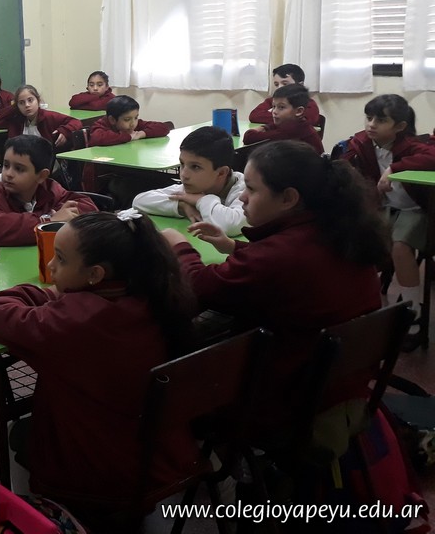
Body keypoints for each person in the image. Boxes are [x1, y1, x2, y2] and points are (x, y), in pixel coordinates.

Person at [0, 211, 197, 526]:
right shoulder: (157, 294)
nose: (51, 265)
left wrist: (48, 293)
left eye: (61, 259)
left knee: (19, 433)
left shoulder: (72, 322)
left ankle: (70, 512)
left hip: (94, 474)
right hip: (158, 458)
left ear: (95, 275)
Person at [159, 140, 387, 431]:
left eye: (252, 189)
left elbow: (200, 288)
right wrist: (233, 247)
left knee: (164, 349)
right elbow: (280, 264)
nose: (242, 198)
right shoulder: (337, 229)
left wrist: (177, 245)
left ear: (288, 198)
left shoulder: (281, 254)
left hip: (283, 398)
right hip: (336, 383)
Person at [339, 94, 435, 345]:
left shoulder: (411, 145)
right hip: (384, 208)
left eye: (381, 120)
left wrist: (394, 168)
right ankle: (360, 303)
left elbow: (432, 157)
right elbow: (344, 165)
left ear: (400, 126)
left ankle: (413, 311)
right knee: (354, 238)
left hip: (415, 209)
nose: (371, 124)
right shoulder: (362, 142)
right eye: (369, 118)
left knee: (401, 247)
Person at [0, 135, 98, 246]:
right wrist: (48, 221)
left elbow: (88, 208)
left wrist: (61, 215)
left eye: (19, 169)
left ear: (41, 176)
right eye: (6, 165)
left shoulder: (50, 189)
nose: (8, 174)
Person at [131, 126, 246, 236]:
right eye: (182, 164)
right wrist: (182, 206)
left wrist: (201, 200)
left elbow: (230, 225)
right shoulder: (194, 188)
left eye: (195, 167)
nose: (184, 175)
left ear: (221, 173)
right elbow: (139, 201)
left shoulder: (246, 189)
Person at [83, 95, 172, 198]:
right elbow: (98, 138)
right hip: (106, 179)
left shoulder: (131, 126)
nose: (133, 123)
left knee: (165, 183)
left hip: (128, 172)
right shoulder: (101, 125)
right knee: (143, 188)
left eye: (136, 117)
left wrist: (142, 134)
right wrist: (128, 137)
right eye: (127, 119)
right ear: (112, 120)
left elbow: (163, 127)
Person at [0, 84, 81, 148]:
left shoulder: (48, 116)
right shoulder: (16, 120)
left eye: (30, 100)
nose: (27, 105)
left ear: (38, 100)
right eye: (21, 102)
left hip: (47, 162)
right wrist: (14, 107)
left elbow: (76, 122)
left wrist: (65, 131)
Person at [241, 84, 324, 154]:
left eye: (281, 107)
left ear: (299, 111)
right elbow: (273, 125)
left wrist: (262, 128)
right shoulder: (299, 124)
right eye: (273, 106)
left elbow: (249, 137)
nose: (274, 111)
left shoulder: (292, 132)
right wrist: (266, 127)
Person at [248, 63, 321, 127]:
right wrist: (287, 117)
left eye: (285, 84)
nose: (279, 87)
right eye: (276, 84)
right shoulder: (272, 101)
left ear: (300, 85)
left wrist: (275, 116)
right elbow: (254, 116)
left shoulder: (309, 104)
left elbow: (305, 121)